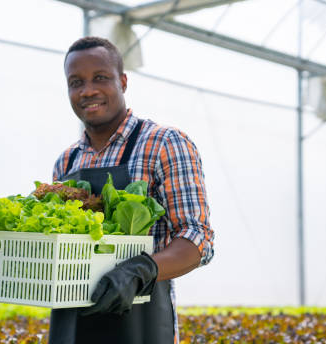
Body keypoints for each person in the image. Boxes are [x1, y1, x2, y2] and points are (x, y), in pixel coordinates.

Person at [48, 36, 214, 344]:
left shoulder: (164, 144)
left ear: (122, 81)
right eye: (76, 82)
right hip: (71, 325)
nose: (88, 91)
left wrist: (141, 269)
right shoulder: (66, 162)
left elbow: (198, 239)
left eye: (100, 77)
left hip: (142, 325)